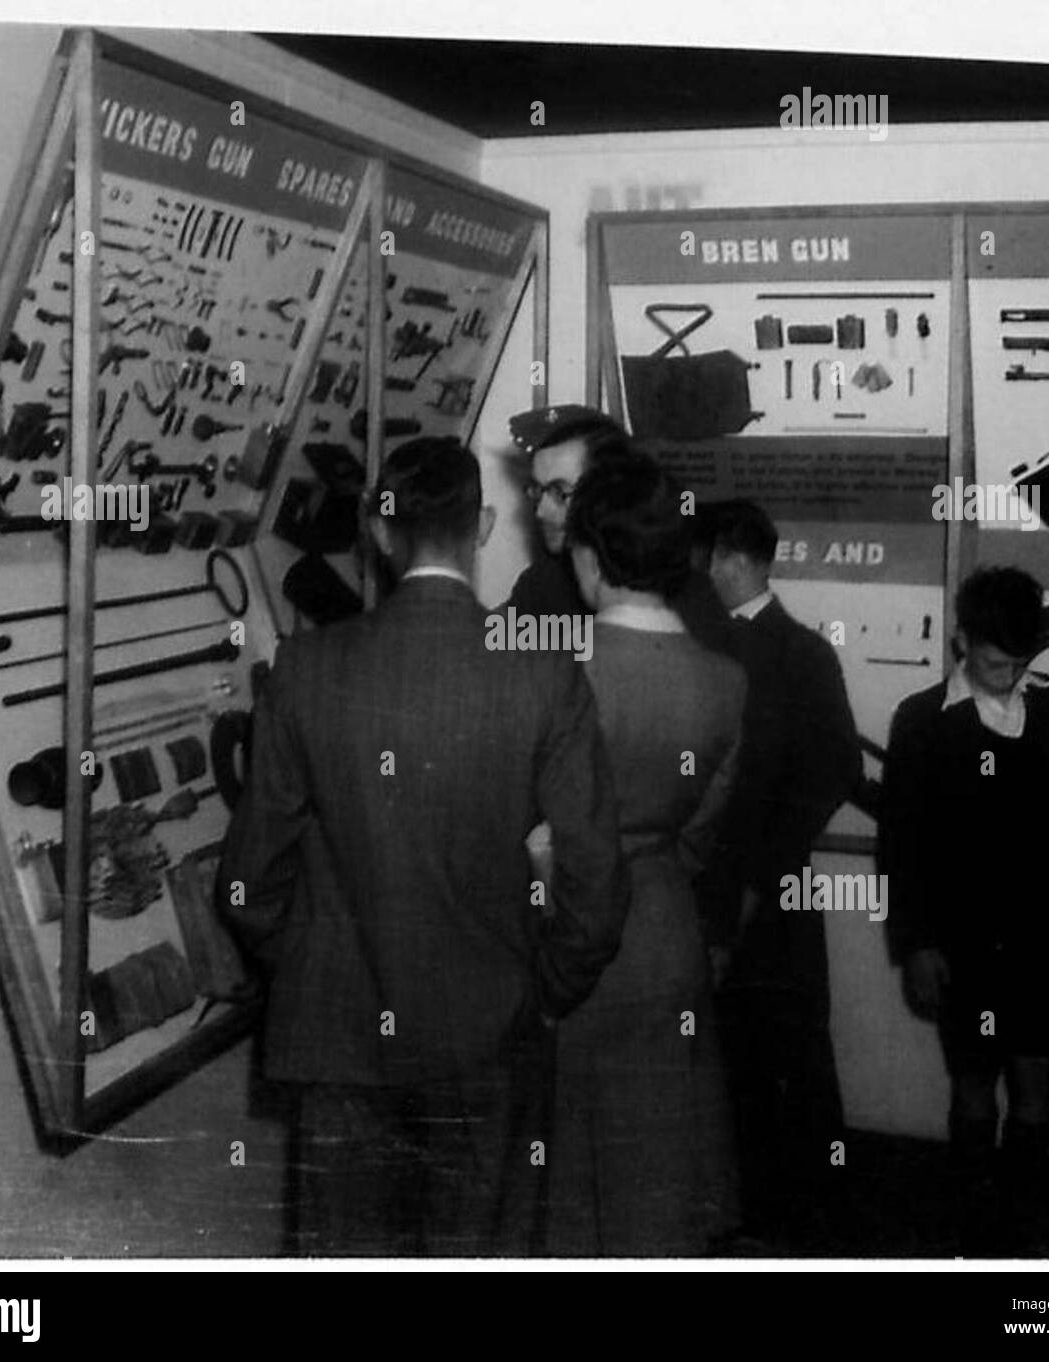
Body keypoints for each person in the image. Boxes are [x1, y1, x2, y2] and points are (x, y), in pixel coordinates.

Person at [218, 435, 629, 1257]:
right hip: (489, 1041)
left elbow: (247, 885)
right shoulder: (545, 674)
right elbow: (594, 888)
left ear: (378, 530)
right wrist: (541, 993)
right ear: (482, 528)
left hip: (338, 1047)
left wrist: (316, 968)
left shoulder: (305, 667)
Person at [546, 459, 747, 1255]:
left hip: (561, 932)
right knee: (655, 1183)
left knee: (566, 1187)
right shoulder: (726, 680)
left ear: (589, 555)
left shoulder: (558, 668)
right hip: (666, 936)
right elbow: (702, 832)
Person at [877, 565, 1049, 1246]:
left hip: (1039, 941)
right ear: (961, 643)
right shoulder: (921, 720)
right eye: (996, 663)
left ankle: (1018, 1228)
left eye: (1019, 663)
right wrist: (915, 945)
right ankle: (971, 1228)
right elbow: (900, 846)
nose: (1009, 676)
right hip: (961, 945)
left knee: (1036, 1085)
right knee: (973, 1085)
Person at [700, 500, 861, 1228]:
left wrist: (763, 875)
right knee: (727, 1058)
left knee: (792, 1052)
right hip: (720, 884)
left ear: (731, 561)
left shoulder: (802, 654)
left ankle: (810, 1219)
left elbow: (835, 769)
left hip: (774, 892)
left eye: (707, 558)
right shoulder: (712, 642)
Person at [504, 403, 639, 617]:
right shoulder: (540, 587)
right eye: (538, 490)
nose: (541, 512)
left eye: (559, 493)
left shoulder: (670, 595)